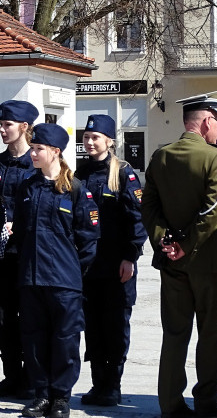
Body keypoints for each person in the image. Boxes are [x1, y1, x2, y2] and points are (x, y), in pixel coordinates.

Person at [140, 93, 217, 418]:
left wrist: (164, 241)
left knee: (175, 334)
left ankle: (170, 404)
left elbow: (148, 205)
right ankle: (207, 401)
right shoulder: (214, 157)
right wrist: (187, 243)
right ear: (207, 121)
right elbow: (213, 207)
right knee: (210, 333)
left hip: (172, 263)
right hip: (207, 260)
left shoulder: (161, 156)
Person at [14, 123, 99, 418]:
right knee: (34, 339)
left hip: (64, 281)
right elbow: (21, 232)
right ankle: (41, 394)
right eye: (33, 148)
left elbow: (88, 239)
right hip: (31, 277)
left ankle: (61, 397)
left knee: (65, 341)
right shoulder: (27, 186)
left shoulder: (75, 190)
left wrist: (73, 269)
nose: (33, 153)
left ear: (55, 152)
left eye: (38, 149)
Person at [75, 113, 147, 407]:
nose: (90, 142)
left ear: (110, 141)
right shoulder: (79, 174)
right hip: (89, 266)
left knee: (115, 325)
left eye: (95, 138)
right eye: (86, 138)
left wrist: (131, 256)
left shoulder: (124, 174)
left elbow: (137, 219)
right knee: (92, 326)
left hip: (117, 264)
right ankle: (97, 383)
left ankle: (112, 385)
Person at [0, 99, 39, 400]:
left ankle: (32, 379)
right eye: (2, 123)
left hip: (28, 254)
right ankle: (12, 376)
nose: (2, 129)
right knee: (4, 318)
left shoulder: (38, 164)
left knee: (30, 319)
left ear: (24, 127)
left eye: (8, 124)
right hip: (0, 255)